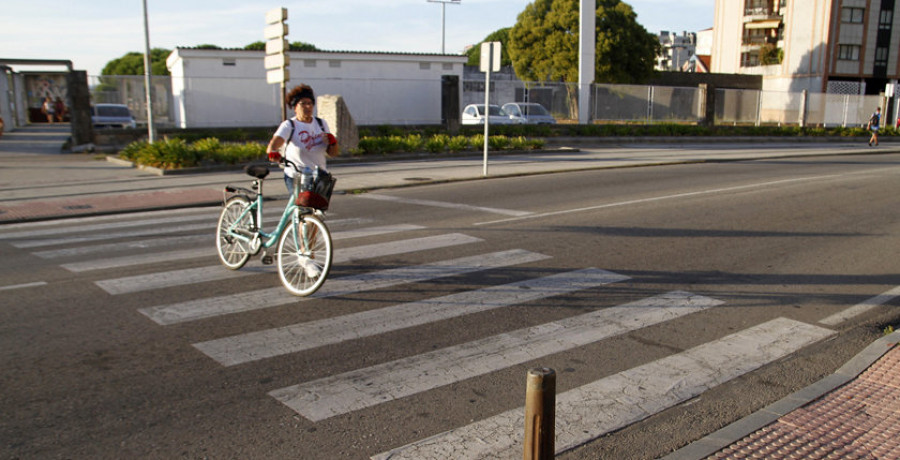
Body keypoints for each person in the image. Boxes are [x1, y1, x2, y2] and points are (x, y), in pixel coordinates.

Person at [266, 84, 339, 194]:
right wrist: (273, 153)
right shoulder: (289, 125)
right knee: (302, 208)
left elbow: (333, 153)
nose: (308, 107)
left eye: (310, 103)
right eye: (303, 103)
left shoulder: (321, 124)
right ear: (295, 107)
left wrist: (333, 143)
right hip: (297, 176)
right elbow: (273, 145)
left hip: (320, 175)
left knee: (319, 209)